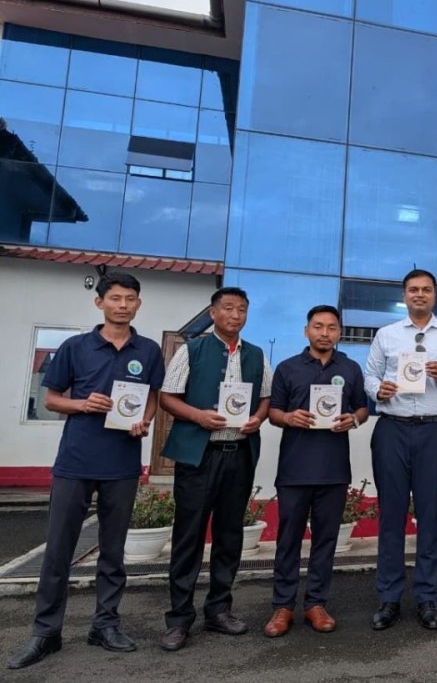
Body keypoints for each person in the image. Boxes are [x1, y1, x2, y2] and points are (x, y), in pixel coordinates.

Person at [7, 272, 164, 670]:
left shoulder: (147, 351)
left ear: (138, 304)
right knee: (58, 551)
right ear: (100, 303)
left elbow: (152, 398)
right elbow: (52, 400)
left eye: (130, 298)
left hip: (123, 464)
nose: (123, 305)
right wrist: (82, 405)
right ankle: (45, 632)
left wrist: (143, 421)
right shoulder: (75, 347)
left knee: (113, 553)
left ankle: (105, 625)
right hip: (75, 462)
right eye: (116, 298)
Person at [158, 287, 272, 652]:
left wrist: (258, 417)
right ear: (212, 313)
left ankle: (219, 610)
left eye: (241, 310)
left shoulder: (256, 354)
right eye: (227, 308)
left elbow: (267, 397)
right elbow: (167, 396)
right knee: (188, 537)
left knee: (229, 536)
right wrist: (197, 416)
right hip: (199, 456)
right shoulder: (192, 350)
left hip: (238, 454)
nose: (235, 315)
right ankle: (178, 619)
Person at [364, 269, 437, 631]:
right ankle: (389, 598)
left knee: (431, 516)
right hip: (392, 429)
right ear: (404, 294)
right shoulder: (387, 335)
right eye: (413, 289)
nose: (420, 295)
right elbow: (369, 376)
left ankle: (427, 597)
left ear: (434, 295)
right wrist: (379, 390)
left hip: (436, 432)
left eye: (426, 290)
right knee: (391, 516)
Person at [262, 305, 369, 638]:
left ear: (339, 332)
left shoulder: (350, 368)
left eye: (332, 327)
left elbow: (363, 407)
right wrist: (288, 418)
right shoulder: (287, 368)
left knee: (326, 540)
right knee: (288, 540)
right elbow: (273, 412)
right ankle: (282, 607)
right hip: (294, 470)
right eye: (318, 326)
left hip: (334, 469)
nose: (325, 333)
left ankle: (316, 604)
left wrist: (354, 419)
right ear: (306, 330)